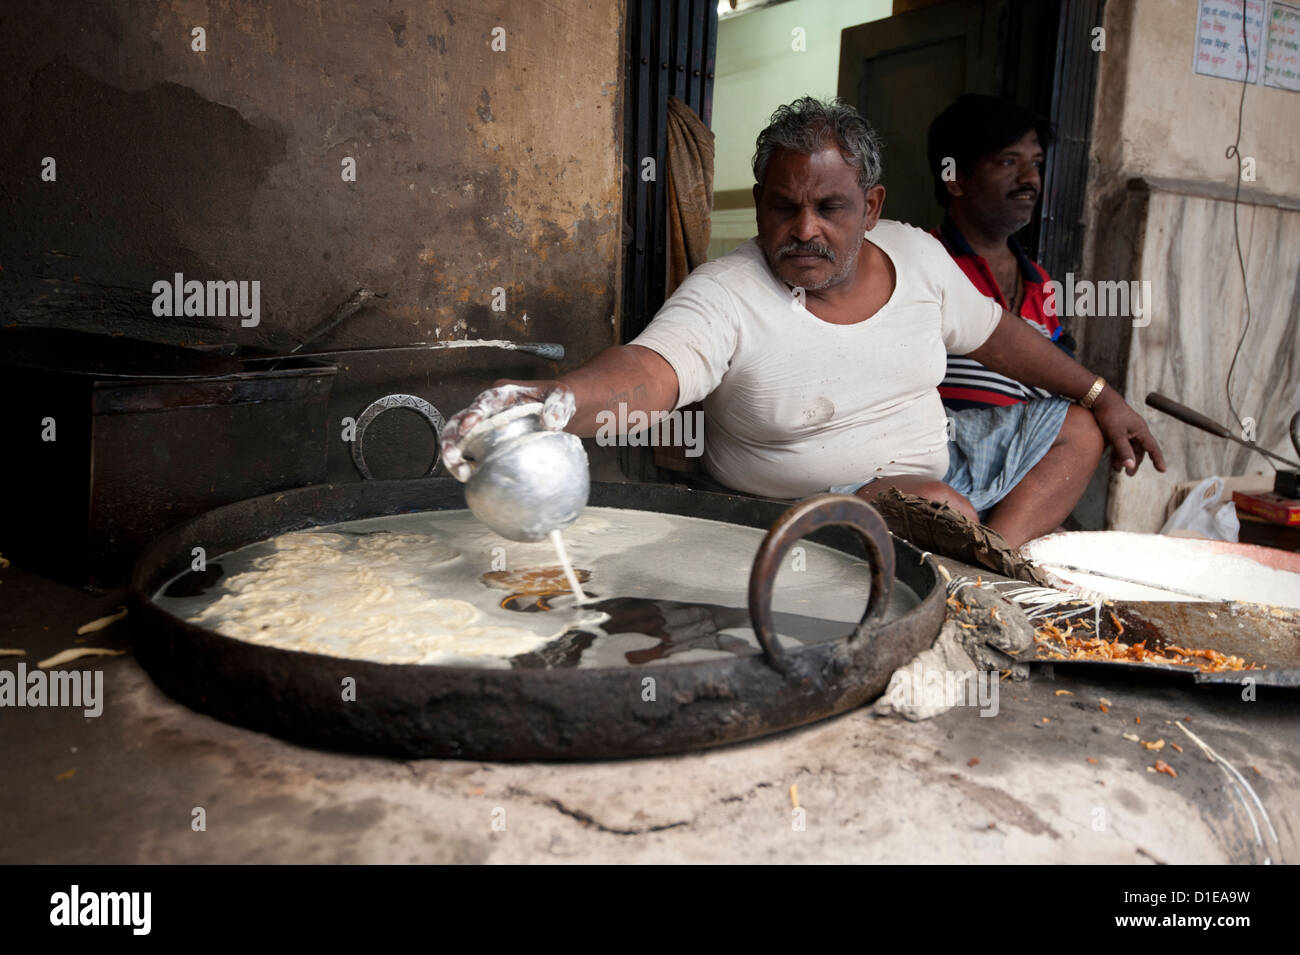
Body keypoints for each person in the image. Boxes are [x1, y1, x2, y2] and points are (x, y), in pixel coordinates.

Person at [440, 97, 1164, 549]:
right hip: (806, 513)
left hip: (945, 465)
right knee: (935, 505)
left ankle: (989, 562)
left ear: (872, 207)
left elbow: (999, 335)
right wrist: (552, 401)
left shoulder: (916, 255)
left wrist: (1103, 393)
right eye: (784, 206)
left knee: (1078, 424)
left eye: (831, 207)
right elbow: (648, 372)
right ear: (759, 204)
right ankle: (967, 553)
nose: (804, 229)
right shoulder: (725, 292)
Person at [927, 93, 1072, 411]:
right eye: (1008, 161)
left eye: (1035, 163)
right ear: (955, 180)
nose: (1030, 178)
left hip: (1034, 457)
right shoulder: (923, 261)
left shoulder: (1039, 280)